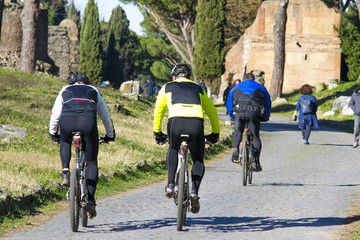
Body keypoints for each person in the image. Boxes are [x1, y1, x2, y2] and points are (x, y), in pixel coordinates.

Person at [153, 63, 220, 214]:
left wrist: (157, 132)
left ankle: (170, 184)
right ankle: (194, 191)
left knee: (173, 148)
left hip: (175, 122)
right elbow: (212, 112)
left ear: (173, 76)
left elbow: (158, 111)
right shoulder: (198, 88)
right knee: (197, 159)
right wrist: (215, 133)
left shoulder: (167, 87)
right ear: (189, 77)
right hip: (196, 124)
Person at [49, 72, 115, 218]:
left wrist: (53, 132)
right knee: (91, 162)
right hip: (88, 123)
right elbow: (105, 115)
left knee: (65, 140)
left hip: (67, 122)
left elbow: (55, 114)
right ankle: (90, 199)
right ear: (86, 82)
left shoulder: (64, 90)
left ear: (72, 82)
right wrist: (110, 134)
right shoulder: (93, 90)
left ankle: (65, 172)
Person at [226, 72, 271, 172]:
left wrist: (231, 114)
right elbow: (267, 103)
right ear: (253, 79)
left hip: (238, 112)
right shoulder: (261, 87)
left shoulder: (235, 87)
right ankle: (256, 161)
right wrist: (266, 116)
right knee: (255, 136)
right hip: (254, 113)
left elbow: (229, 102)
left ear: (243, 79)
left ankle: (236, 148)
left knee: (238, 131)